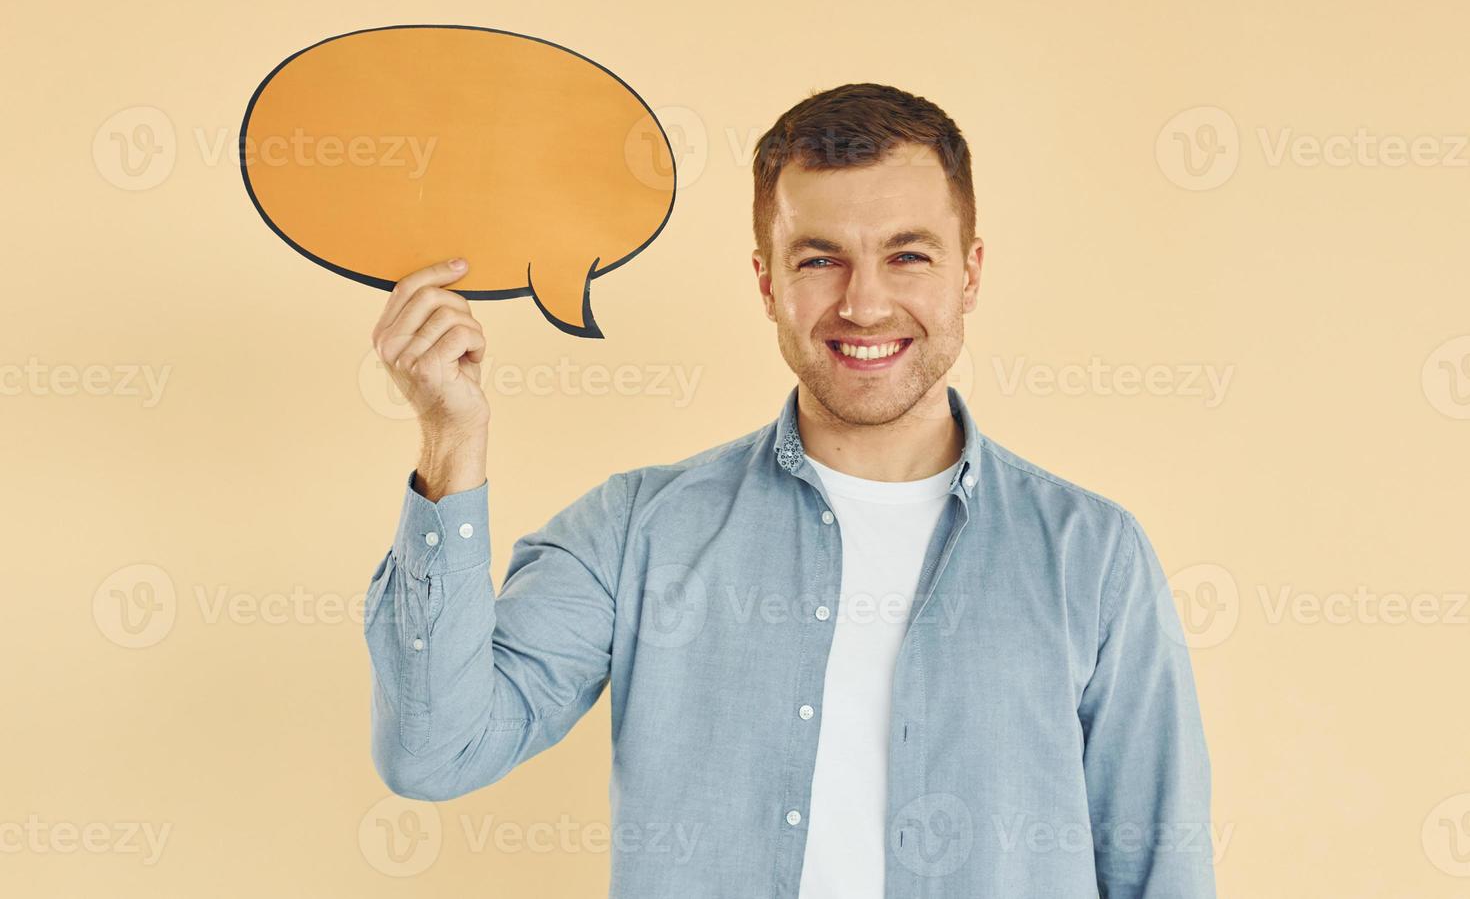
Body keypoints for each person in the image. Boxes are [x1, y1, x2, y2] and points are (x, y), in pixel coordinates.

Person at [363, 83, 1216, 898]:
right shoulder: (635, 532)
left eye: (908, 255)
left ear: (971, 273)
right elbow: (437, 752)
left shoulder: (1092, 556)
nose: (865, 303)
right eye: (820, 260)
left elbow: (1158, 869)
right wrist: (451, 439)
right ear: (768, 281)